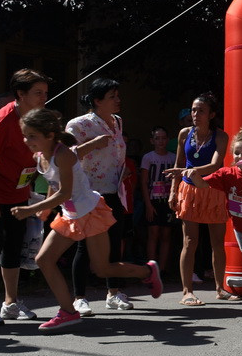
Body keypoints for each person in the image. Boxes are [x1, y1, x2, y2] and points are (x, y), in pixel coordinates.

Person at [12, 109, 161, 332]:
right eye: (25, 135)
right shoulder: (40, 156)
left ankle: (147, 272)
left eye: (32, 135)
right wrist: (46, 208)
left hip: (90, 213)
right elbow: (55, 184)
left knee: (102, 269)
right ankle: (68, 312)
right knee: (44, 260)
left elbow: (65, 192)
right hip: (71, 215)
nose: (27, 140)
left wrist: (32, 209)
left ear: (50, 135)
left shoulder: (63, 155)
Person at [0, 68, 50, 327]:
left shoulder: (36, 118)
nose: (44, 98)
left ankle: (10, 303)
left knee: (15, 245)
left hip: (17, 192)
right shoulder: (3, 121)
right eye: (38, 93)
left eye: (45, 92)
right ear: (21, 94)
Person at [66, 78, 138, 314]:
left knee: (115, 243)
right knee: (85, 246)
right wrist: (93, 144)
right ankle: (79, 297)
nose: (118, 100)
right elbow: (66, 155)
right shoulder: (78, 124)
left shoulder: (117, 121)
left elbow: (116, 153)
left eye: (117, 95)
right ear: (97, 101)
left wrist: (122, 169)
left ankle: (113, 293)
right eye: (112, 97)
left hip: (113, 191)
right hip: (88, 194)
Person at [186, 126, 242, 313]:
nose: (240, 157)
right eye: (237, 153)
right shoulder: (227, 174)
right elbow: (203, 184)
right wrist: (194, 175)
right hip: (240, 229)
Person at [165, 93, 230, 306]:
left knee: (217, 242)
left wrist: (187, 171)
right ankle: (187, 292)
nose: (195, 114)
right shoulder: (184, 133)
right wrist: (173, 191)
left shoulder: (221, 136)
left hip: (214, 190)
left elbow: (215, 165)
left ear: (211, 114)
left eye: (201, 110)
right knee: (190, 241)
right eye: (193, 110)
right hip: (189, 190)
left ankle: (220, 288)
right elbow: (178, 163)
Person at [139, 126, 176, 275]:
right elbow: (143, 182)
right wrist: (148, 205)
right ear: (152, 141)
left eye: (163, 138)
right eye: (157, 138)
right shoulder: (148, 157)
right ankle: (151, 269)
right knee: (153, 233)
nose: (161, 141)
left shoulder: (173, 157)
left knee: (166, 234)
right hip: (152, 200)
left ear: (168, 140)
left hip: (168, 200)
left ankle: (162, 269)